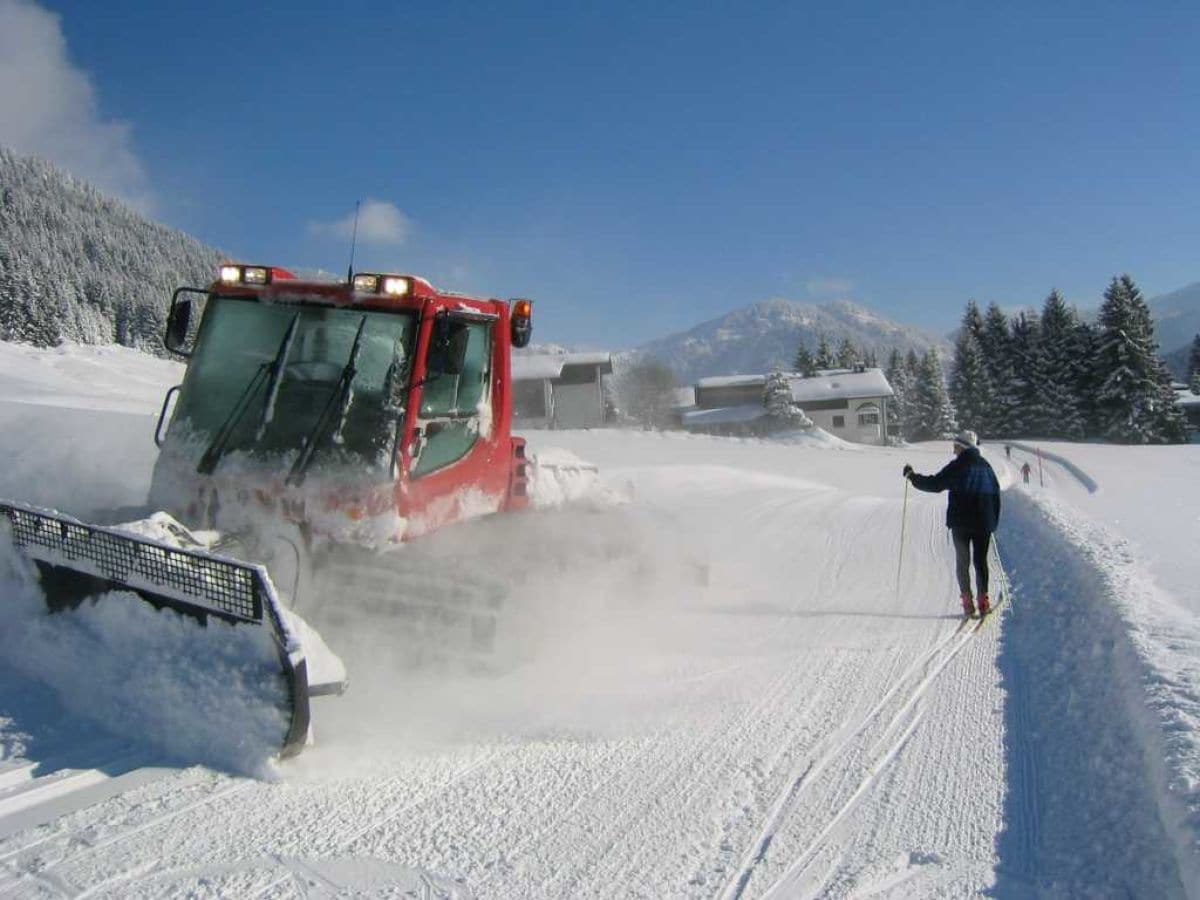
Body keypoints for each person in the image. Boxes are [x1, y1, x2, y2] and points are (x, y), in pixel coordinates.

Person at [903, 430, 1002, 617]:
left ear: (962, 446)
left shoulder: (958, 466)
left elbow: (934, 484)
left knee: (962, 562)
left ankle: (967, 603)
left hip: (961, 523)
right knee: (981, 561)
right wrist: (993, 522)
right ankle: (984, 602)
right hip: (983, 523)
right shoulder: (987, 467)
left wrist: (912, 476)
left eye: (956, 445)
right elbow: (996, 495)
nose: (953, 448)